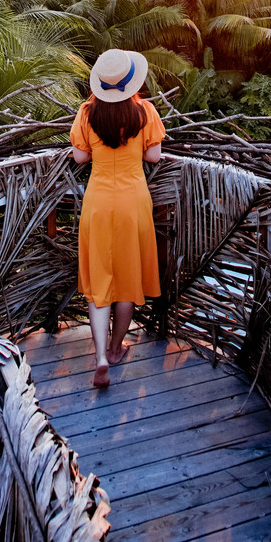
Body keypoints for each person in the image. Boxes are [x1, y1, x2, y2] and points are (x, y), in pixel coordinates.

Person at [70, 48, 165, 389]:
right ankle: (114, 350)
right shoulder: (145, 111)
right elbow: (153, 155)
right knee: (127, 279)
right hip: (132, 202)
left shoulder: (86, 112)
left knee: (100, 282)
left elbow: (80, 157)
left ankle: (97, 358)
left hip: (98, 201)